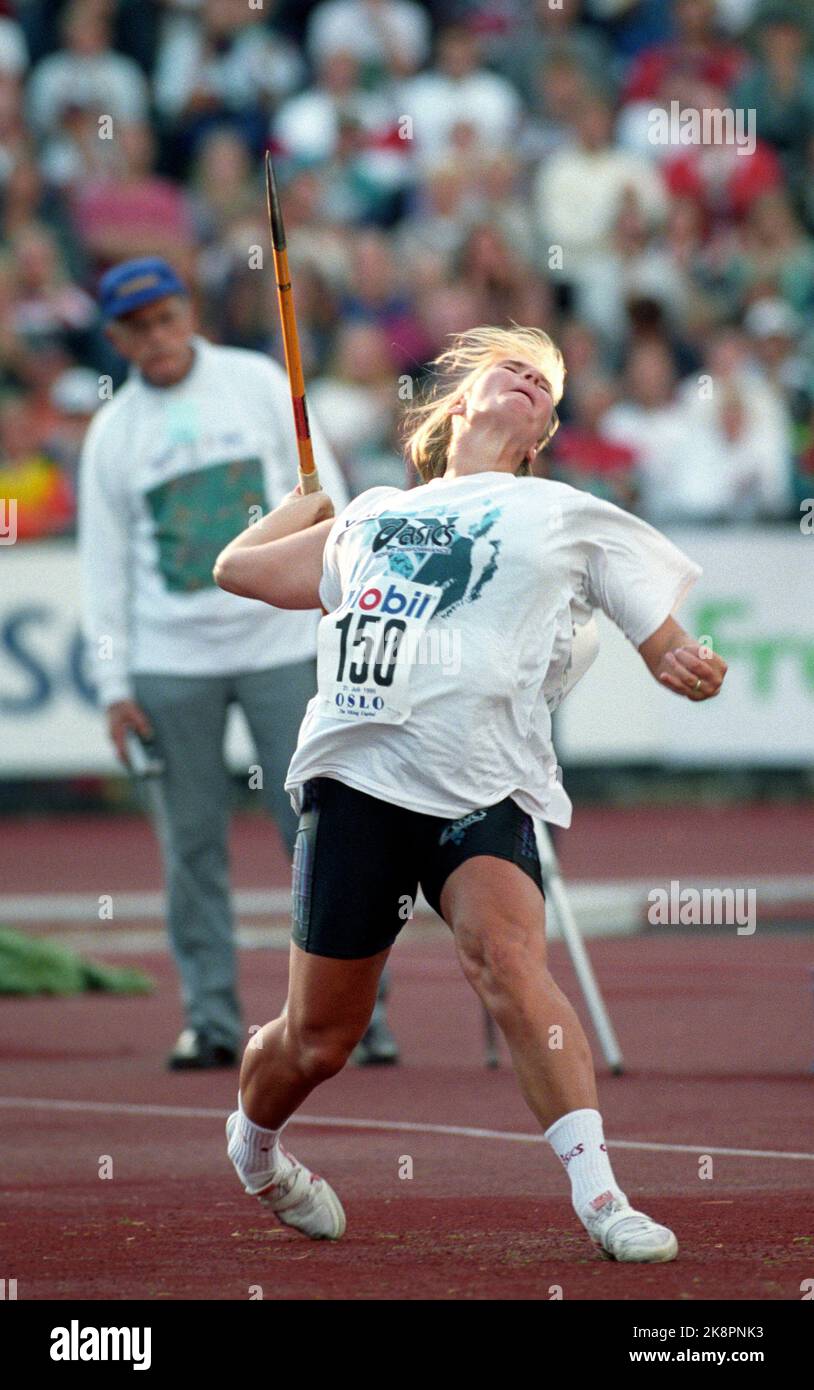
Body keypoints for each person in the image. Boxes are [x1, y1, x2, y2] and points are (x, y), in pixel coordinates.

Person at [214, 324, 727, 1261]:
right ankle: (254, 1147)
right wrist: (298, 509)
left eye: (549, 383)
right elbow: (236, 572)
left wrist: (682, 661)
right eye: (514, 369)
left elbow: (660, 635)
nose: (533, 380)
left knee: (508, 962)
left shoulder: (563, 514)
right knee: (320, 1042)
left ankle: (603, 1196)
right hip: (358, 781)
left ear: (541, 436)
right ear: (459, 404)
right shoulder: (369, 515)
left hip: (485, 785)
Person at [77, 255, 353, 1070]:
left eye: (165, 318)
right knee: (190, 847)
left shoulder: (260, 382)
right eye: (136, 328)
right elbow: (104, 568)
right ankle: (212, 1018)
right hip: (170, 662)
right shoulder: (112, 433)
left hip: (278, 646)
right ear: (117, 338)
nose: (156, 338)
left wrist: (342, 606)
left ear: (187, 312)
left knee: (312, 833)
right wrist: (113, 685)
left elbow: (325, 491)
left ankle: (349, 1014)